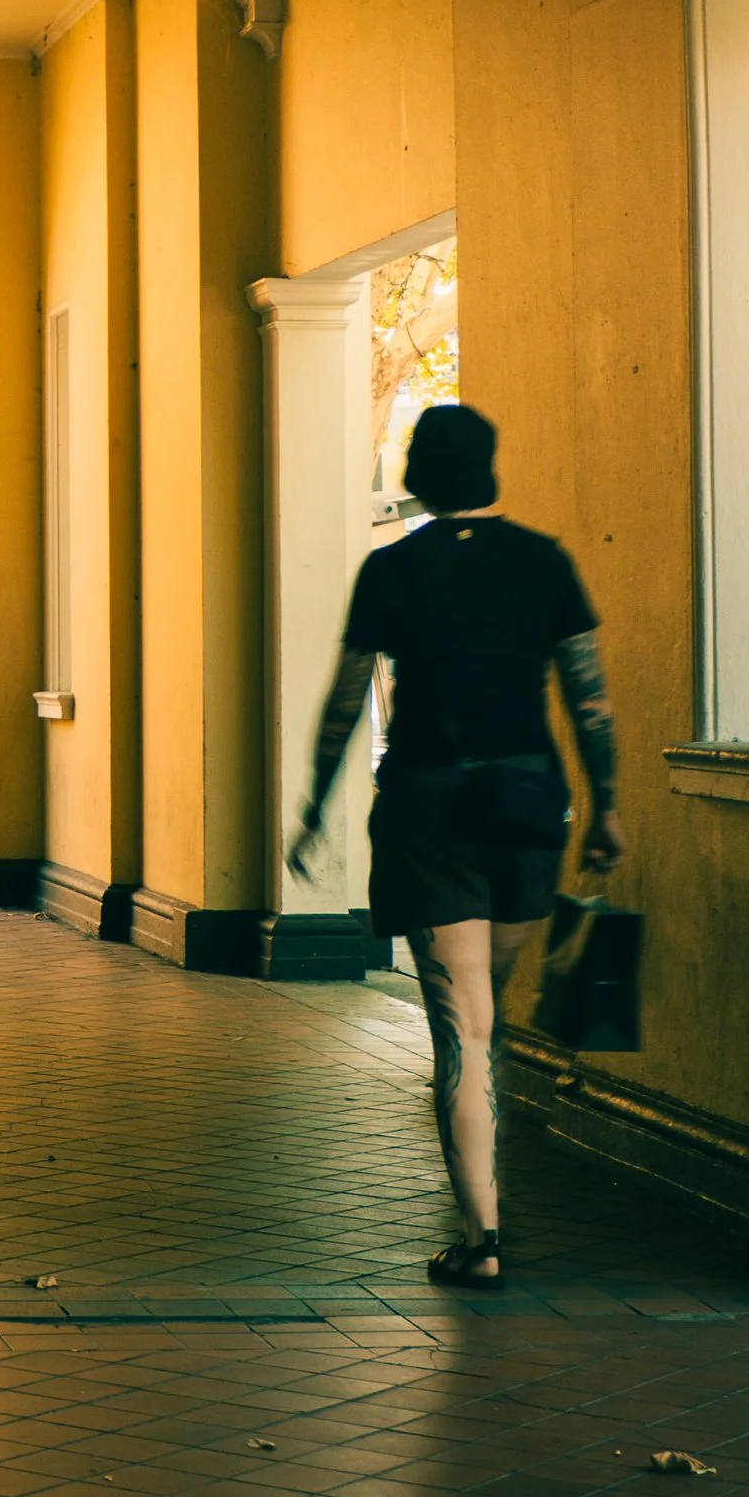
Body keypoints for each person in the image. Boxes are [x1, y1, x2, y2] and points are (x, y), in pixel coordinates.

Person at [287, 402, 621, 1288]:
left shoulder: (392, 570)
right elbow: (588, 698)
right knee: (490, 1015)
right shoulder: (543, 561)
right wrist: (609, 808)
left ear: (422, 475)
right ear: (491, 467)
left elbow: (347, 697)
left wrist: (317, 803)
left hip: (430, 807)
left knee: (461, 1030)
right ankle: (485, 1191)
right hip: (525, 804)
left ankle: (482, 1238)